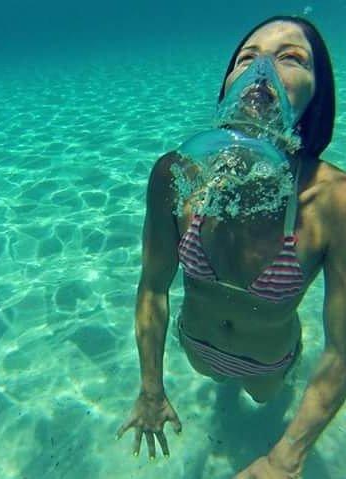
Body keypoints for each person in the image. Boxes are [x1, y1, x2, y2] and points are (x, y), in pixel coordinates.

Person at [116, 15, 346, 479]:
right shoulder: (176, 174)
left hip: (268, 366)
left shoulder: (332, 201)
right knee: (217, 382)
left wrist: (285, 458)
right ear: (228, 83)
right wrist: (151, 390)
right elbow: (153, 288)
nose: (261, 73)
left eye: (291, 58)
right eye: (247, 58)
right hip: (197, 348)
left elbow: (342, 349)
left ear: (317, 96)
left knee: (265, 401)